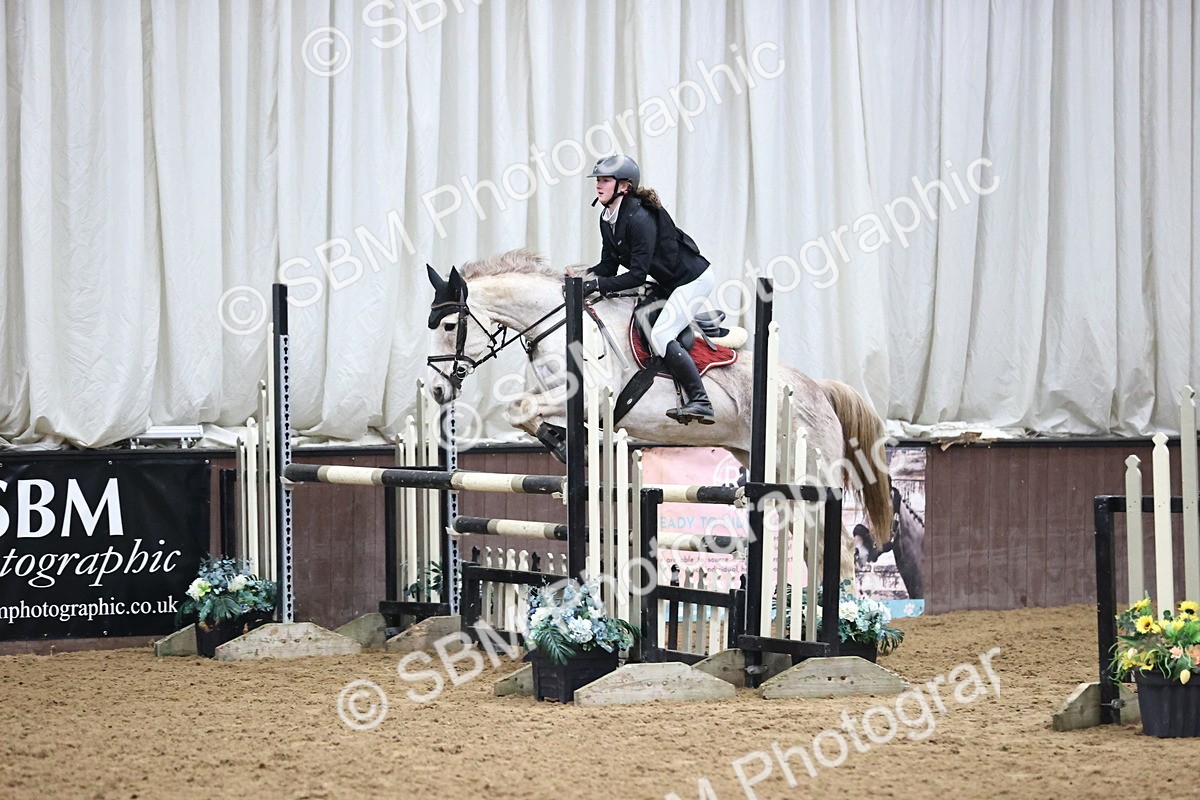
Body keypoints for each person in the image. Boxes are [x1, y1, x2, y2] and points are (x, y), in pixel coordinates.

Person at [582, 154, 716, 425]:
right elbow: (609, 265)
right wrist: (583, 278)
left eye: (605, 180)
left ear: (624, 186)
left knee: (661, 334)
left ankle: (701, 400)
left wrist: (596, 285)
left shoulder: (639, 218)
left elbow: (636, 276)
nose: (598, 185)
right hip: (669, 282)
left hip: (692, 280)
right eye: (598, 180)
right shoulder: (607, 217)